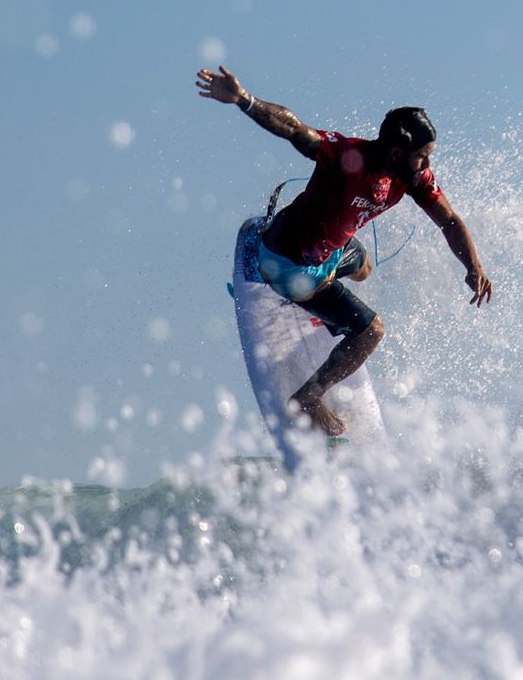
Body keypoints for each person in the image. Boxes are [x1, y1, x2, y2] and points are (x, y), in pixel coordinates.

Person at [197, 65, 493, 436]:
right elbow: (294, 129)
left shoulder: (411, 177)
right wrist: (243, 99)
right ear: (398, 150)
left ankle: (324, 298)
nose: (428, 164)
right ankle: (307, 399)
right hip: (290, 267)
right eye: (423, 155)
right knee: (371, 331)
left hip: (330, 252)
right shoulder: (346, 157)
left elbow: (449, 220)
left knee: (364, 265)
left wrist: (473, 266)